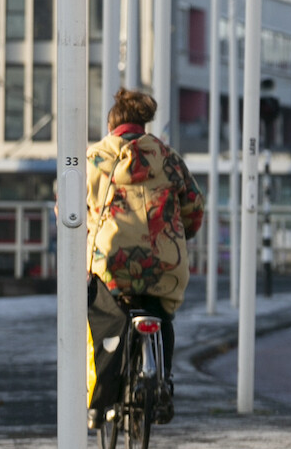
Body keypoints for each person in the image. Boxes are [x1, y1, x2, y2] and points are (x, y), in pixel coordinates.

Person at [86, 86, 204, 429]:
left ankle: (98, 402)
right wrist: (182, 236)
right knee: (161, 314)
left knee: (103, 317)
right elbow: (194, 206)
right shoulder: (168, 158)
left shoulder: (96, 158)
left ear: (113, 126)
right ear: (143, 125)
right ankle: (162, 383)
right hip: (165, 263)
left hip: (113, 264)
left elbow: (71, 211)